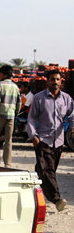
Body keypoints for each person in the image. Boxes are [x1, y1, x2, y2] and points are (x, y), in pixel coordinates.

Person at [27, 69, 74, 212]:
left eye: (57, 79)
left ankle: (36, 185)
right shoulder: (39, 98)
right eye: (52, 79)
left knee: (47, 170)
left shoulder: (66, 99)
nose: (55, 82)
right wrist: (33, 135)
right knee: (48, 170)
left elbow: (72, 116)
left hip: (59, 141)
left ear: (61, 81)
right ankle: (56, 199)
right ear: (47, 81)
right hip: (43, 140)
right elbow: (32, 117)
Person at [0, 65, 21, 168]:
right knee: (8, 140)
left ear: (3, 74)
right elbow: (19, 103)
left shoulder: (1, 85)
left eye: (0, 74)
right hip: (11, 115)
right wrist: (15, 113)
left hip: (0, 114)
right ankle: (7, 163)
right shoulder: (15, 86)